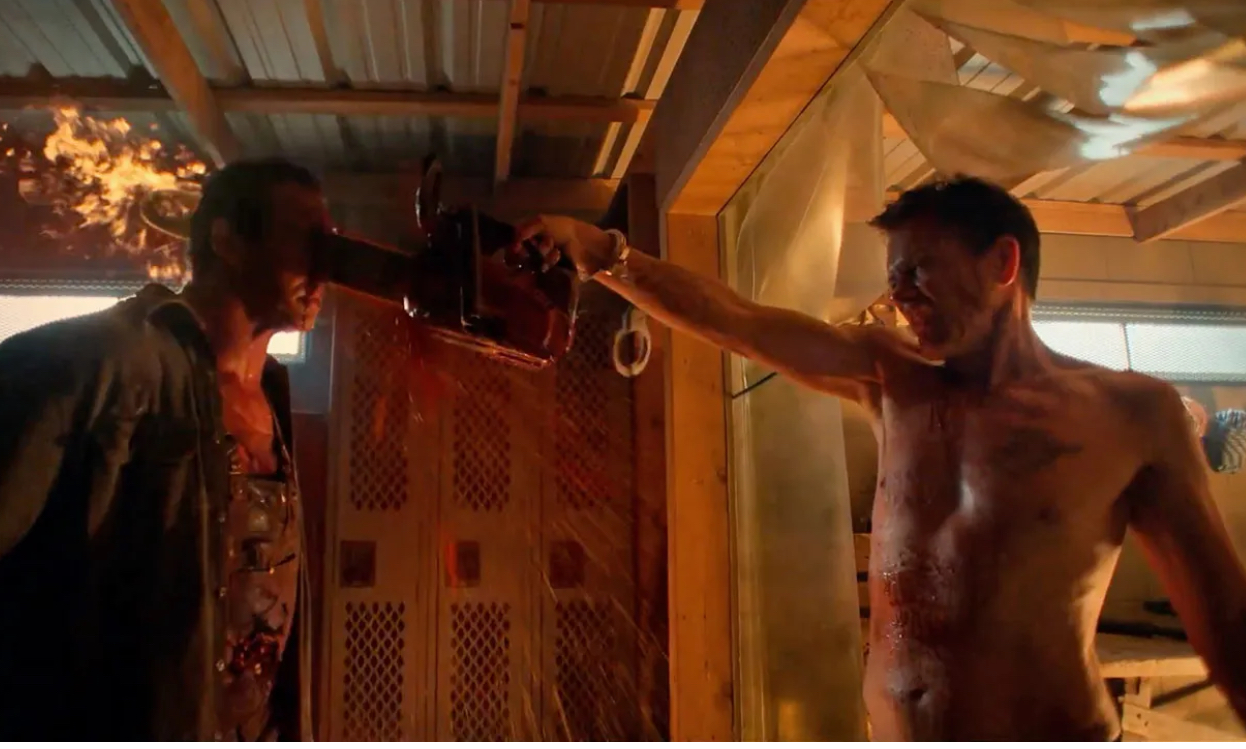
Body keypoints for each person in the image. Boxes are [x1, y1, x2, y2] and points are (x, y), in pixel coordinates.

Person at [517, 176, 1246, 741]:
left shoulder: (1130, 414)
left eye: (917, 269)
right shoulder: (888, 376)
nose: (898, 295)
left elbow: (1226, 621)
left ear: (1003, 261)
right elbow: (738, 321)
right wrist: (601, 252)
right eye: (893, 277)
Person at [0, 158, 334, 740]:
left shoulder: (273, 396)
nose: (325, 264)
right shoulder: (87, 362)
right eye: (303, 238)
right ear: (227, 240)